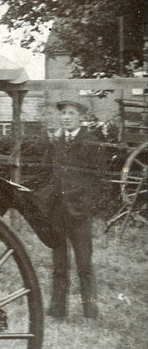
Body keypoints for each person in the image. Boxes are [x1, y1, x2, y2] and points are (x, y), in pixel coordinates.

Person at [39, 100, 104, 319]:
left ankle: (90, 311)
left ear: (80, 117)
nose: (66, 117)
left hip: (80, 214)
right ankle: (58, 310)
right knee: (59, 264)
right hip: (58, 212)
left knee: (84, 264)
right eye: (63, 113)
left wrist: (87, 205)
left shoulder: (90, 144)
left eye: (71, 113)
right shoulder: (55, 143)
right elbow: (46, 173)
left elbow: (99, 180)